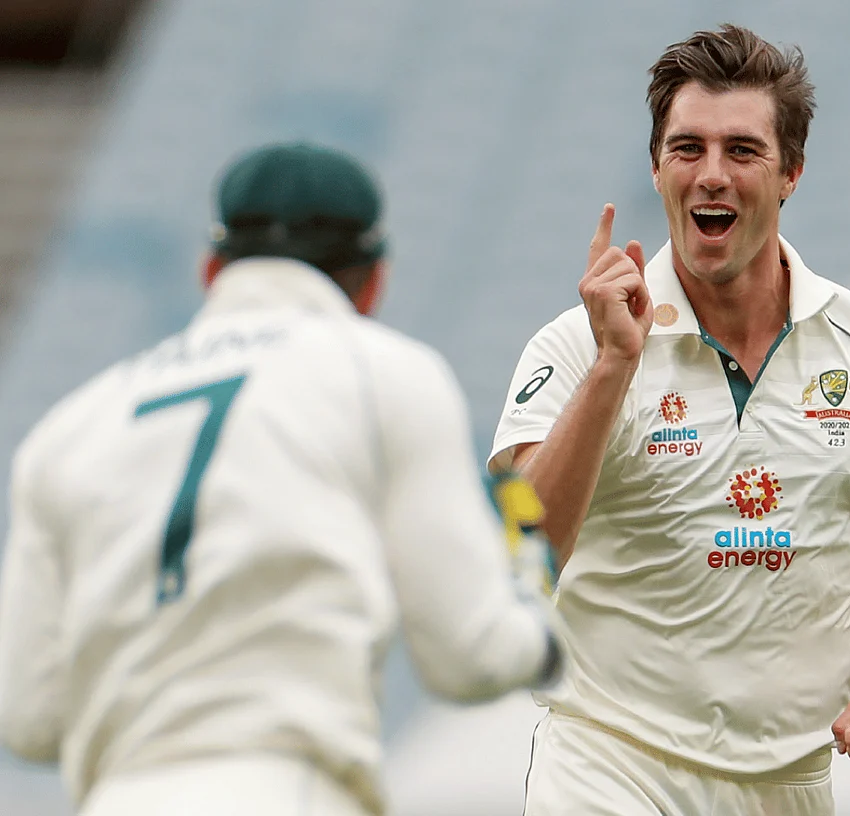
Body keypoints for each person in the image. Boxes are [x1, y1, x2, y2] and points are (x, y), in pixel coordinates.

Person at [490, 24, 850, 816]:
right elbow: (522, 556)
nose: (712, 174)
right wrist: (613, 367)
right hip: (609, 770)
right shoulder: (576, 347)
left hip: (787, 786)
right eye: (687, 148)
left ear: (791, 172)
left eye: (742, 150)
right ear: (656, 168)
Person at [0, 142, 562, 816]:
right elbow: (471, 660)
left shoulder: (66, 431)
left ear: (212, 270)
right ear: (373, 282)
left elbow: (29, 721)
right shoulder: (385, 374)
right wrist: (531, 578)